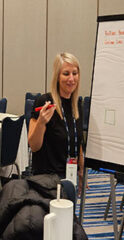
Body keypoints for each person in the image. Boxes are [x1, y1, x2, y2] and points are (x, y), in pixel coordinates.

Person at [29, 53, 83, 186]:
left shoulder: (76, 105)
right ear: (57, 77)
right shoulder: (44, 102)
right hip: (47, 179)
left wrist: (81, 170)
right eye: (66, 73)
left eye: (74, 73)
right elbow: (34, 146)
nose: (71, 78)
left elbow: (78, 142)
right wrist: (41, 122)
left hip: (70, 176)